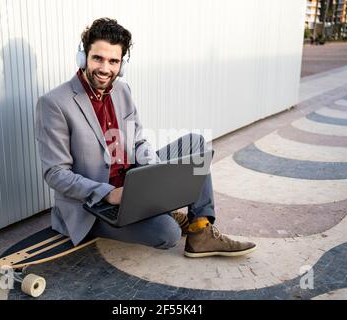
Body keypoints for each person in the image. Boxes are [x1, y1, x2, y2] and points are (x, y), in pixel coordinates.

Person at [35, 18, 256, 257]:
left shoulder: (122, 90)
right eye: (97, 58)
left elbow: (138, 141)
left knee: (196, 144)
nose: (105, 69)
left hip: (134, 184)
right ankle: (162, 214)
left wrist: (153, 175)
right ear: (83, 56)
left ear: (122, 64)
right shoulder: (54, 103)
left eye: (113, 61)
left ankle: (200, 230)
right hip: (95, 206)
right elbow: (55, 173)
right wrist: (108, 193)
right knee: (168, 233)